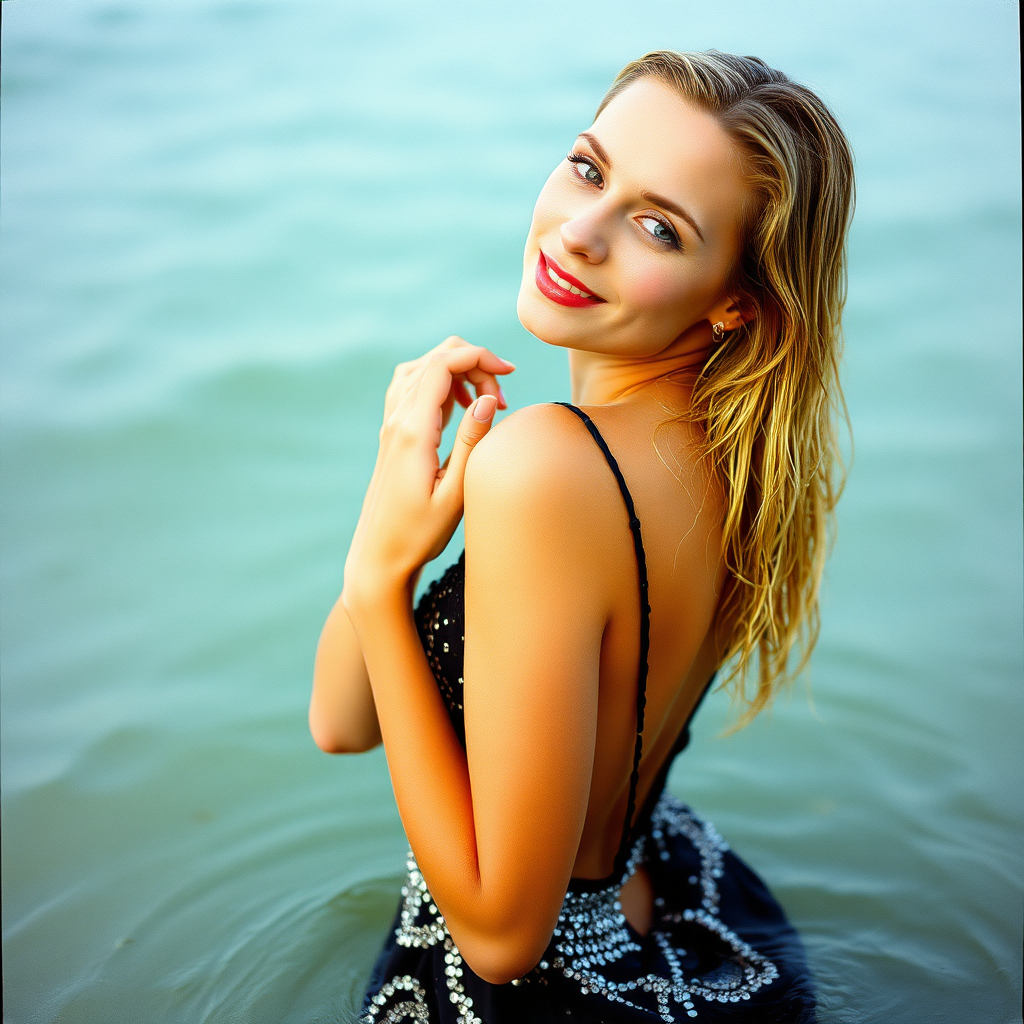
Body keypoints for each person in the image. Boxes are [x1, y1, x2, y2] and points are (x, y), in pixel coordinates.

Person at [309, 49, 854, 1024]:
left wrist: (382, 577)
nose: (579, 230)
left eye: (656, 225)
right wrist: (395, 499)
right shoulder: (739, 460)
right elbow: (344, 720)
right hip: (665, 907)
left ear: (737, 298)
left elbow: (501, 937)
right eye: (588, 168)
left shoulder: (546, 467)